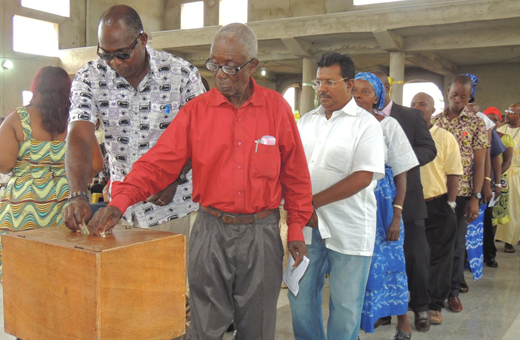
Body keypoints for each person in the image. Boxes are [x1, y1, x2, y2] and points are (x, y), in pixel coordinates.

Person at [80, 23, 313, 340]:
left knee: (257, 327)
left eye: (230, 67)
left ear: (252, 66)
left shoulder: (276, 109)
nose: (220, 75)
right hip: (210, 230)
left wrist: (297, 227)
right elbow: (158, 163)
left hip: (261, 233)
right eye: (215, 64)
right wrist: (120, 200)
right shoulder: (197, 112)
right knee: (204, 327)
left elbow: (296, 175)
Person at [63, 5, 205, 239]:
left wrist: (175, 177)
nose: (114, 63)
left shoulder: (182, 74)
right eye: (106, 54)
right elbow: (79, 134)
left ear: (142, 40)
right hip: (121, 211)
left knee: (177, 276)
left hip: (175, 206)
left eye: (121, 54)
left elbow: (201, 136)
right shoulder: (89, 77)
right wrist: (78, 193)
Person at [290, 52, 384, 340]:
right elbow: (291, 167)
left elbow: (362, 176)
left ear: (350, 84)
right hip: (308, 226)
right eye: (318, 82)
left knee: (345, 304)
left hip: (349, 226)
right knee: (300, 296)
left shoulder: (365, 125)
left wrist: (311, 202)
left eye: (330, 82)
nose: (322, 89)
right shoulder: (306, 121)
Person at [354, 73, 418, 340]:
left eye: (365, 91)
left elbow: (402, 175)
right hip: (354, 204)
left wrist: (396, 215)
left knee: (392, 262)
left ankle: (403, 322)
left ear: (377, 97)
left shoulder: (388, 125)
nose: (358, 96)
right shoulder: (343, 124)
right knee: (355, 266)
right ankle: (352, 325)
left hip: (384, 205)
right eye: (354, 90)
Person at [373, 71, 437, 332]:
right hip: (375, 201)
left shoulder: (410, 116)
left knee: (414, 256)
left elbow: (428, 148)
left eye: (371, 88)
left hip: (407, 198)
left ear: (385, 88)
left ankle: (421, 307)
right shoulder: (357, 118)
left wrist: (399, 160)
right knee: (383, 257)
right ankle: (385, 309)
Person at [0, 66, 77, 278]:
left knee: (19, 266)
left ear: (37, 88)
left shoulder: (18, 118)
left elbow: (4, 164)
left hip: (24, 203)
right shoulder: (76, 121)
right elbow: (96, 165)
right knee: (56, 266)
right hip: (65, 201)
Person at [432, 75, 489, 313]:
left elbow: (480, 161)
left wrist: (476, 196)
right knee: (435, 246)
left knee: (456, 245)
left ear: (469, 97)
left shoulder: (476, 123)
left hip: (463, 193)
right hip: (435, 192)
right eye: (454, 95)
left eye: (463, 97)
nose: (457, 100)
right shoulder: (434, 121)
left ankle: (453, 293)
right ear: (448, 92)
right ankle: (432, 291)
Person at [411, 92, 462, 325]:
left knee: (439, 258)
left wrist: (451, 203)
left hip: (438, 204)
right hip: (410, 206)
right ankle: (410, 302)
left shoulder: (445, 137)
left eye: (422, 104)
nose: (416, 108)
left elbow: (453, 172)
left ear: (433, 110)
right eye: (412, 104)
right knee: (412, 257)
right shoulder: (403, 134)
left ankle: (433, 306)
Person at [496, 103, 520, 253]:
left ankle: (514, 238)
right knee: (505, 207)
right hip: (502, 173)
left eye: (511, 112)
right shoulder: (500, 130)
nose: (507, 114)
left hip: (517, 174)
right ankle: (505, 239)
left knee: (516, 208)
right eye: (507, 110)